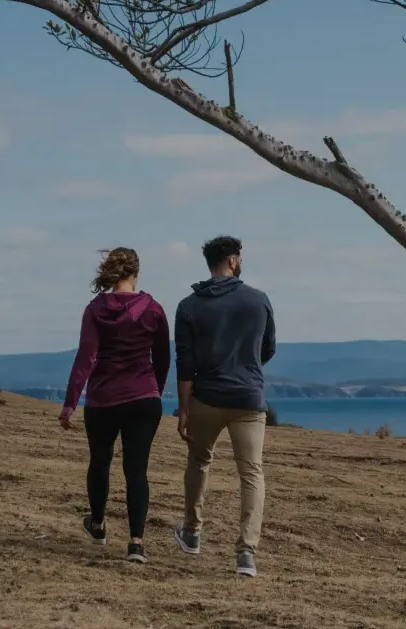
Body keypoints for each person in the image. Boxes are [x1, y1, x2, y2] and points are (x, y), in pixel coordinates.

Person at [171, 235, 275, 578]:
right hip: (248, 400)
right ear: (233, 261)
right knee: (252, 473)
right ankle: (246, 554)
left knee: (199, 461)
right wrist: (246, 369)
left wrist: (183, 409)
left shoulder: (188, 306)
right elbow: (268, 349)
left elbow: (184, 364)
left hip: (206, 397)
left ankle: (192, 532)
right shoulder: (259, 301)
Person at [59, 247, 170, 565]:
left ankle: (98, 525)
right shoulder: (153, 309)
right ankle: (136, 544)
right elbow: (162, 358)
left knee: (100, 462)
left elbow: (86, 358)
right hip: (143, 399)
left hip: (103, 399)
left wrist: (70, 403)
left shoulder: (95, 308)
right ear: (136, 273)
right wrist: (154, 391)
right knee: (137, 471)